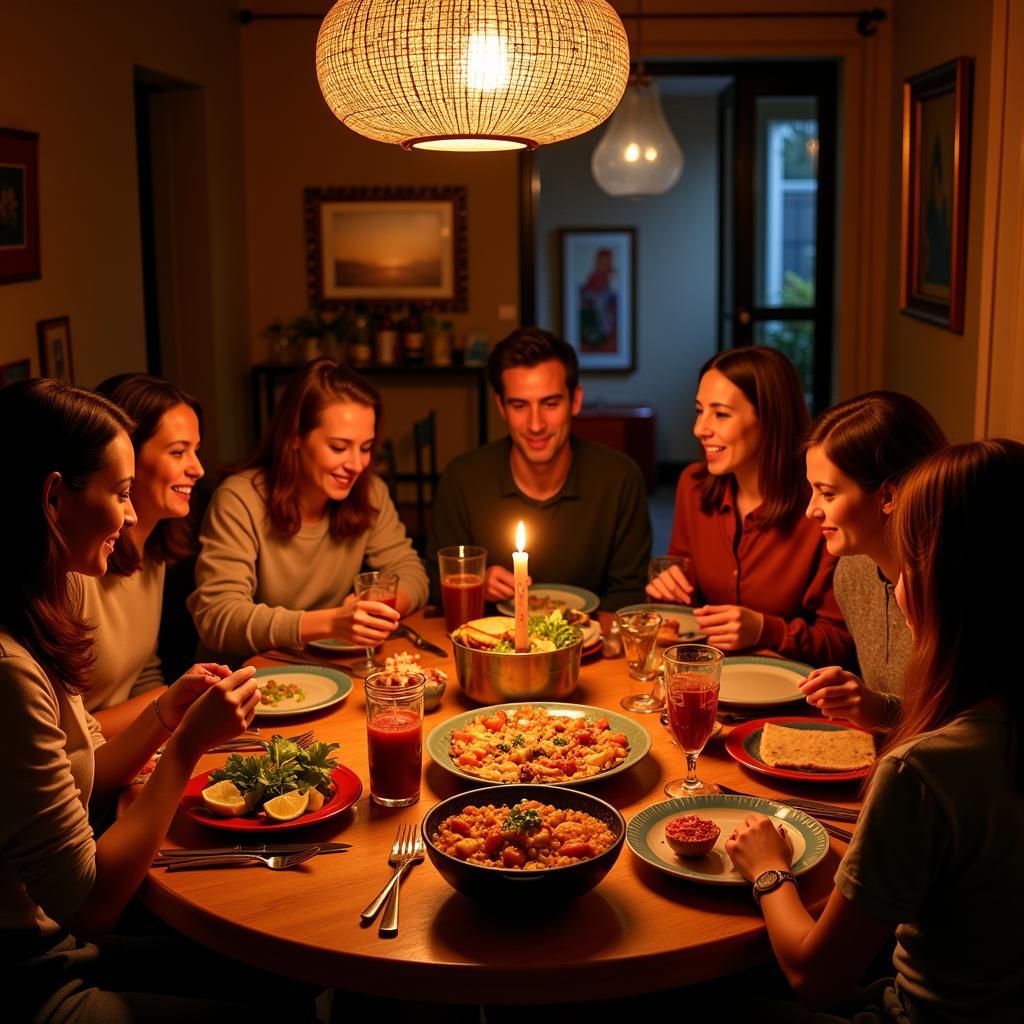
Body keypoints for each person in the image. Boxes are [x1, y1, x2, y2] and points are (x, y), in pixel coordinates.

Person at [0, 379, 315, 1021]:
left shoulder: (36, 615)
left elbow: (88, 770)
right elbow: (90, 906)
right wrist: (188, 746)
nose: (130, 514)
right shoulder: (9, 668)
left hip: (66, 948)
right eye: (118, 494)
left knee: (288, 971)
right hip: (32, 980)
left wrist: (165, 714)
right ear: (54, 497)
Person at [725, 439, 1024, 1023]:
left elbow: (815, 977)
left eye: (908, 563)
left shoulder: (924, 770)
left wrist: (766, 867)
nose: (896, 585)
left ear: (945, 583)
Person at [189, 358, 428, 660]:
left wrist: (378, 610)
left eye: (365, 448)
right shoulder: (239, 500)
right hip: (244, 679)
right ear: (295, 438)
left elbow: (413, 573)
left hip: (330, 667)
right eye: (339, 447)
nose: (356, 465)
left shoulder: (369, 492)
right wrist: (329, 622)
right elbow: (218, 618)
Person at [646, 347, 851, 666]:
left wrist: (767, 630)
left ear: (770, 419)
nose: (700, 428)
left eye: (721, 414)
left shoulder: (820, 507)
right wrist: (666, 587)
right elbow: (684, 604)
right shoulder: (694, 485)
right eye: (700, 410)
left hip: (792, 691)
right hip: (705, 677)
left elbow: (842, 645)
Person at [426, 327, 651, 611]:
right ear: (501, 407)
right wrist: (475, 582)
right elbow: (432, 584)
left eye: (550, 403)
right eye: (520, 406)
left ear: (576, 400)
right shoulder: (462, 478)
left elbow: (631, 596)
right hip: (491, 643)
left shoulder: (620, 479)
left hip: (589, 645)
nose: (535, 424)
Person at [801, 392, 947, 729]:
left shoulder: (947, 591)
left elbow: (967, 731)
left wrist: (880, 710)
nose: (811, 510)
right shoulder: (853, 571)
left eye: (828, 493)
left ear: (888, 496)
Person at [75, 374, 205, 739]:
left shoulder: (153, 551)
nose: (198, 468)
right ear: (124, 457)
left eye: (196, 450)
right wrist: (171, 704)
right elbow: (65, 733)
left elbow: (142, 671)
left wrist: (176, 708)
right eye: (178, 452)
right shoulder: (78, 569)